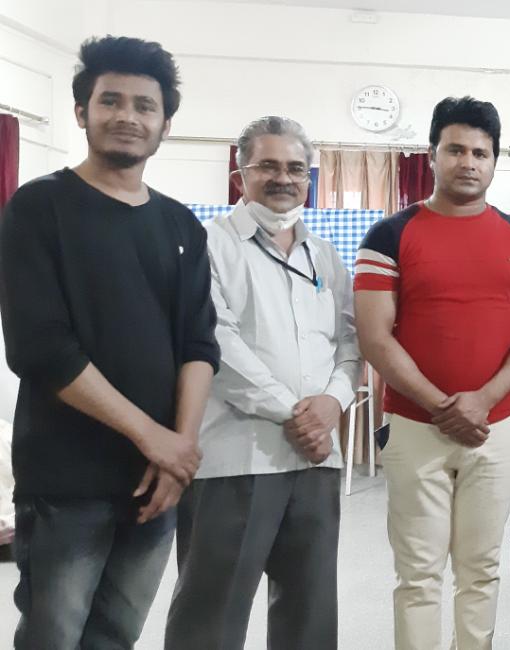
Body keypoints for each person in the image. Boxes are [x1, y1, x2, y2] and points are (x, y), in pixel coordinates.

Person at [0, 35, 219, 649]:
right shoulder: (39, 207)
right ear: (81, 112)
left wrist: (179, 449)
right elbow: (41, 348)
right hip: (65, 477)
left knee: (116, 635)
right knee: (54, 635)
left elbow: (199, 344)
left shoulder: (180, 224)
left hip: (153, 478)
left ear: (165, 124)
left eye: (145, 105)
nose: (128, 116)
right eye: (111, 100)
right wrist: (156, 439)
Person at [354, 96, 510, 650]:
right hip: (415, 426)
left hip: (497, 426)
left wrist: (482, 400)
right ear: (433, 155)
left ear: (494, 161)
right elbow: (374, 337)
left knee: (481, 569)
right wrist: (443, 406)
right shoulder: (388, 235)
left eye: (480, 153)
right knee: (418, 574)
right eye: (456, 150)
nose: (468, 162)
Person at [164, 116, 359, 650]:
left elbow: (350, 342)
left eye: (296, 168)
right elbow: (215, 344)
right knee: (211, 614)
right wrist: (298, 414)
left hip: (316, 461)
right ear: (240, 175)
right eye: (267, 165)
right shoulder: (207, 245)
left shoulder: (325, 256)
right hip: (237, 457)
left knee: (309, 616)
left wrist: (334, 402)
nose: (283, 178)